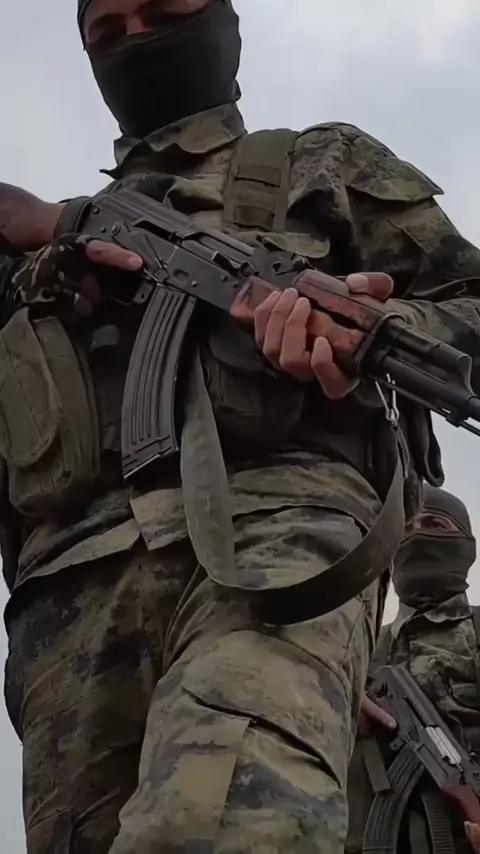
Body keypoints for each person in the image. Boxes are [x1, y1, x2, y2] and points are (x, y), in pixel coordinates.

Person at [4, 1, 480, 851]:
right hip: (70, 590)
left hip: (278, 538)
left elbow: (468, 306)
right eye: (106, 31)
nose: (136, 41)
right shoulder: (50, 240)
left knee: (229, 827)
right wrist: (48, 271)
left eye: (164, 13)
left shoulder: (319, 162)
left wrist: (377, 328)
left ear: (223, 24)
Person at [346, 485, 480, 854]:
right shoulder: (356, 644)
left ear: (466, 547)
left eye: (435, 524)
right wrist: (343, 695)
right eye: (405, 528)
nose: (417, 535)